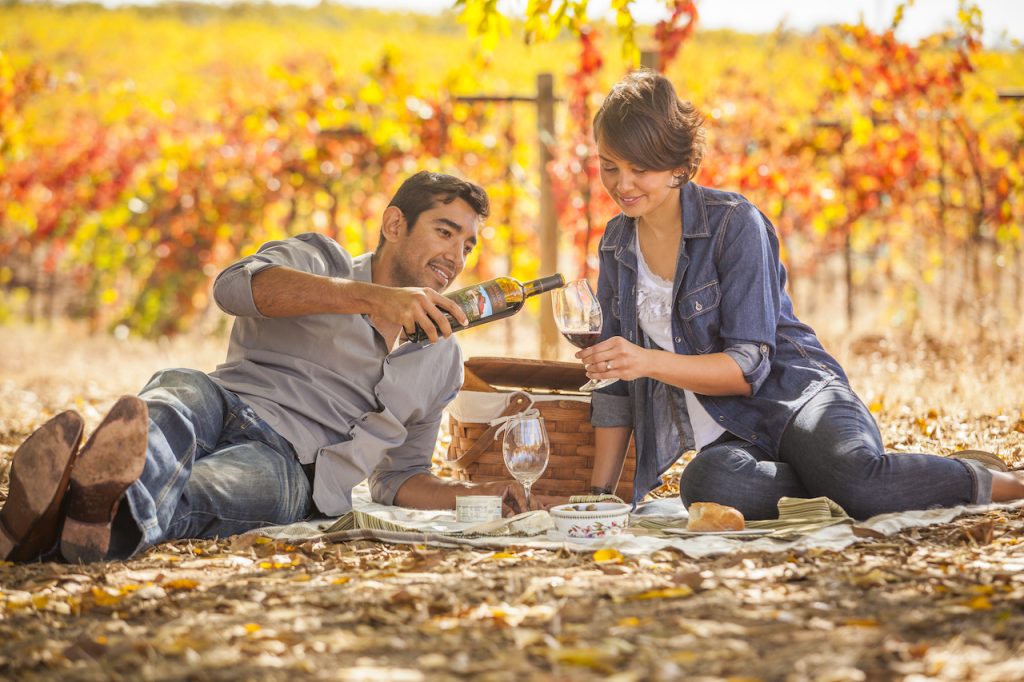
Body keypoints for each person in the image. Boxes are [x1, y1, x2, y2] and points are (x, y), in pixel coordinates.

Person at [0, 171, 530, 564]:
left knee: (205, 489)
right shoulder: (320, 259)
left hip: (294, 468)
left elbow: (400, 477)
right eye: (445, 232)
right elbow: (234, 288)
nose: (457, 258)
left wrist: (477, 495)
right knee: (176, 391)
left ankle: (70, 508)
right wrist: (374, 299)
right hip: (224, 400)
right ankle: (86, 512)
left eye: (467, 245)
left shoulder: (442, 358)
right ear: (395, 223)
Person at [577, 70, 1024, 520]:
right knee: (708, 484)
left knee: (856, 479)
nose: (623, 184)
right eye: (610, 165)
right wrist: (601, 499)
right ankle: (846, 480)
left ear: (678, 165)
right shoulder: (617, 244)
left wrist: (646, 360)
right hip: (734, 436)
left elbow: (748, 366)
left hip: (800, 399)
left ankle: (994, 481)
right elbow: (615, 385)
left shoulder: (734, 223)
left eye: (640, 168)